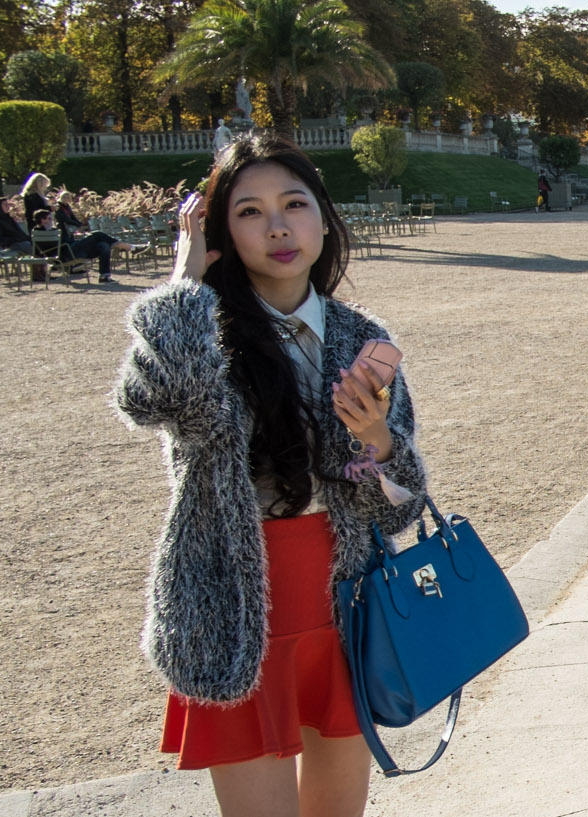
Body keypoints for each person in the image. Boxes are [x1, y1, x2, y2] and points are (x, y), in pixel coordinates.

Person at [112, 132, 430, 817]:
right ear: (222, 230)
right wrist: (183, 286)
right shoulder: (203, 333)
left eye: (294, 203)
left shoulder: (360, 339)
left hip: (346, 603)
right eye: (250, 211)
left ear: (323, 216)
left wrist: (378, 442)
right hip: (235, 598)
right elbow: (149, 402)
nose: (279, 226)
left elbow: (402, 510)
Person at [40, 204, 138, 283]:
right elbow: (47, 250)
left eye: (50, 219)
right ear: (39, 221)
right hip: (66, 254)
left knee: (103, 244)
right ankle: (129, 247)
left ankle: (104, 276)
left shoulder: (56, 230)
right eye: (45, 219)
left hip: (74, 249)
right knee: (97, 234)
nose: (48, 221)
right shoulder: (40, 233)